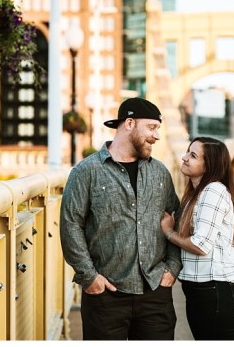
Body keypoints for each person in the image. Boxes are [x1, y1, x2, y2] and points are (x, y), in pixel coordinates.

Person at [60, 97, 182, 340]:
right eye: (152, 127)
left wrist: (172, 267)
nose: (157, 136)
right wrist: (90, 277)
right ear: (129, 123)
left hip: (155, 293)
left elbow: (176, 220)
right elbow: (71, 224)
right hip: (105, 295)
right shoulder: (86, 171)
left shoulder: (160, 172)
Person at [160, 137, 234, 340]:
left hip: (217, 291)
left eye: (193, 155)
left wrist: (169, 233)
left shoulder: (213, 191)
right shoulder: (195, 195)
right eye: (188, 152)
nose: (184, 157)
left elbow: (201, 245)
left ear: (209, 166)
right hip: (203, 291)